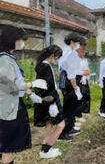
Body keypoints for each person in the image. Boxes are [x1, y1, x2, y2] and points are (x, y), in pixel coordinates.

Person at [0, 26, 47, 164]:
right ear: (12, 40)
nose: (22, 43)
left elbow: (16, 81)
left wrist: (30, 93)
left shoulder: (9, 58)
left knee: (7, 143)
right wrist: (33, 83)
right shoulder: (4, 59)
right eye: (21, 40)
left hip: (12, 105)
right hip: (8, 108)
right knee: (9, 145)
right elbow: (14, 85)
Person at [34, 45, 66, 158]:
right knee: (61, 125)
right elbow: (47, 87)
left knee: (49, 124)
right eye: (57, 57)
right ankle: (47, 149)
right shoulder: (46, 67)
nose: (57, 60)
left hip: (45, 100)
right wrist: (52, 104)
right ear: (52, 55)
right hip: (50, 99)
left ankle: (44, 149)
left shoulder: (41, 65)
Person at [58, 33, 83, 141]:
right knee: (68, 108)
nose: (79, 45)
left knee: (72, 106)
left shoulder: (69, 52)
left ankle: (70, 127)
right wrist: (76, 88)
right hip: (68, 81)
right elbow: (71, 73)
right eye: (78, 43)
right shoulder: (69, 54)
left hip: (67, 80)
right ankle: (62, 134)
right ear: (72, 42)